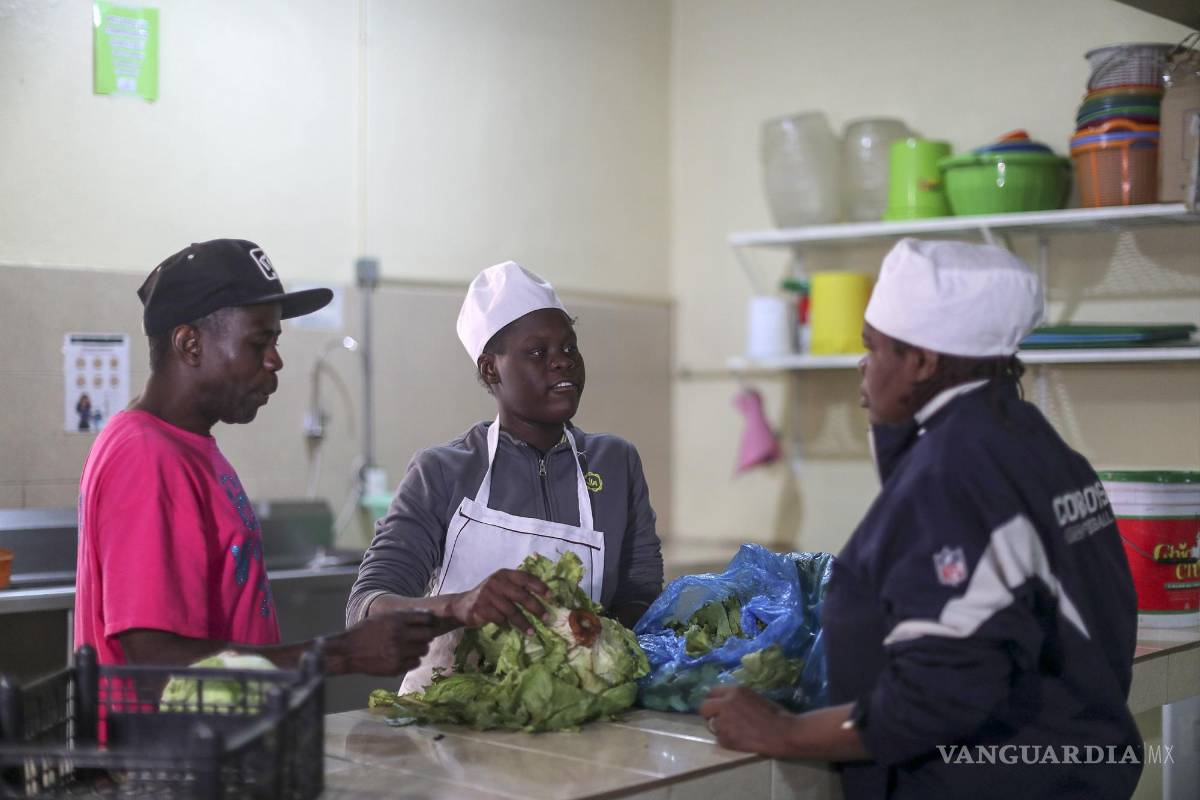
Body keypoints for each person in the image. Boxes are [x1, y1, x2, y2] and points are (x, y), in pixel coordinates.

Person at [699, 239, 1142, 799]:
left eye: (874, 347)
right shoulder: (1035, 444)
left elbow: (941, 693)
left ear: (922, 361)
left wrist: (786, 732)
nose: (862, 364)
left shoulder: (953, 473)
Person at [74, 239, 435, 676]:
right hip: (168, 744)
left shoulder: (187, 446)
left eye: (275, 341)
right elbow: (155, 665)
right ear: (190, 344)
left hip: (218, 740)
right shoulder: (145, 456)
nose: (275, 361)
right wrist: (342, 653)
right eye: (257, 343)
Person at [346, 260, 663, 692]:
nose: (562, 363)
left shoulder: (615, 462)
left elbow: (642, 596)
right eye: (538, 353)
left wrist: (585, 649)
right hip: (449, 720)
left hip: (572, 714)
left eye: (569, 348)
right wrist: (460, 607)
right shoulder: (443, 471)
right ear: (491, 368)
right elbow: (366, 609)